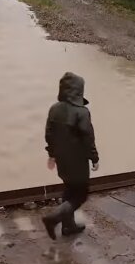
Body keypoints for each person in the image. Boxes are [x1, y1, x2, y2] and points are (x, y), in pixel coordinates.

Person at [42, 72, 99, 240]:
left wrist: (51, 154)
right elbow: (88, 138)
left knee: (69, 190)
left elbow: (49, 134)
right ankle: (53, 219)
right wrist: (94, 158)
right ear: (79, 90)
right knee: (80, 194)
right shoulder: (81, 112)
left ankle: (68, 226)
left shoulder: (54, 109)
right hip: (78, 161)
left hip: (61, 159)